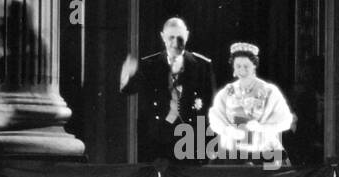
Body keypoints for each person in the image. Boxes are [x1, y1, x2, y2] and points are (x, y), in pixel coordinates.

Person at [120, 16, 218, 162]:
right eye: (171, 37)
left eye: (180, 38)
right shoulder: (149, 65)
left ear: (187, 36)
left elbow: (210, 108)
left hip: (191, 143)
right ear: (162, 37)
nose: (175, 43)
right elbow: (129, 89)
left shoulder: (202, 65)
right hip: (158, 143)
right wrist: (126, 75)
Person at [208, 42, 294, 166]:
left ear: (254, 66)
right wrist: (228, 130)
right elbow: (216, 118)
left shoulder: (269, 91)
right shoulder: (226, 92)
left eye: (246, 66)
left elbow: (285, 120)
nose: (242, 70)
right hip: (232, 152)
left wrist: (262, 128)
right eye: (238, 66)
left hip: (264, 152)